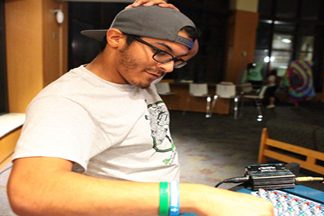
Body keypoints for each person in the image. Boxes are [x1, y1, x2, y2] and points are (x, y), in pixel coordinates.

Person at [7, 3, 274, 216]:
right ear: (116, 38)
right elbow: (30, 192)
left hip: (159, 204)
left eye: (177, 60)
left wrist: (169, 17)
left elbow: (188, 48)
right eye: (162, 52)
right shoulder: (67, 101)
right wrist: (196, 196)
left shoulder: (137, 73)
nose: (168, 68)